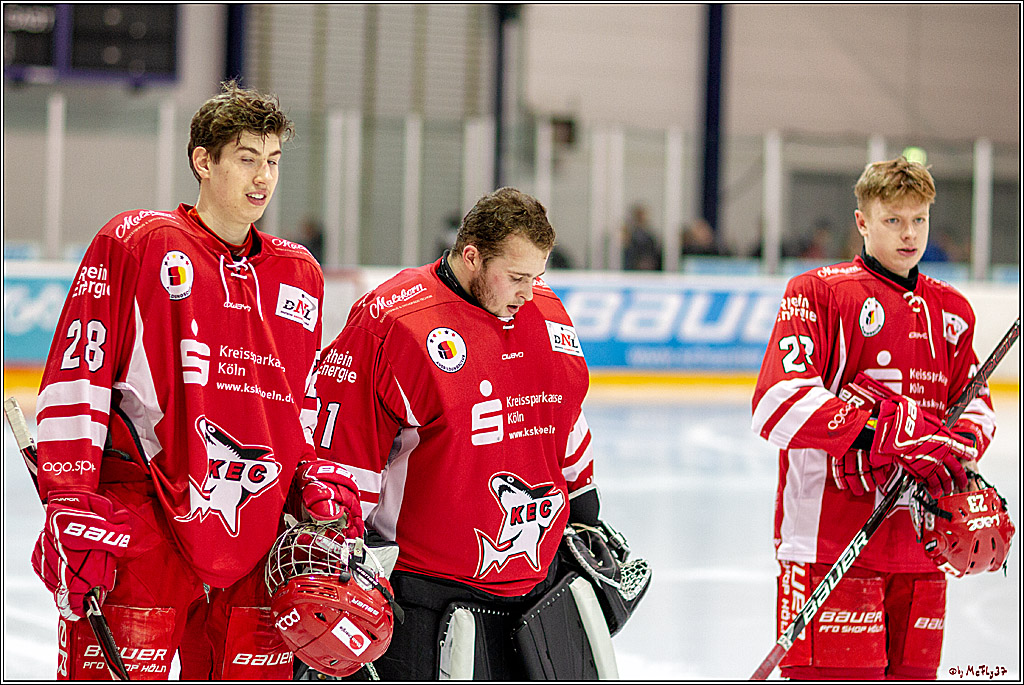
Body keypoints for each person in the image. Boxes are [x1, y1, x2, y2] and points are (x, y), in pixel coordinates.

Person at [30, 80, 362, 680]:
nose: (263, 178)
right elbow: (79, 374)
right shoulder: (137, 243)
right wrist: (71, 502)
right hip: (145, 522)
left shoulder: (299, 274)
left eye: (273, 161)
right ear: (202, 162)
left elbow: (298, 404)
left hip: (257, 540)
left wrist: (313, 478)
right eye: (246, 159)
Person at [311, 187, 621, 679]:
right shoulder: (395, 320)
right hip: (424, 599)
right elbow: (343, 448)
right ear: (471, 256)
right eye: (516, 276)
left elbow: (564, 415)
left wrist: (585, 502)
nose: (528, 291)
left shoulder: (547, 313)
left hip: (539, 592)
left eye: (537, 276)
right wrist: (337, 546)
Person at [751, 157, 998, 680]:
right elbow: (778, 403)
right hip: (832, 544)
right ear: (862, 222)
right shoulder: (818, 292)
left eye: (919, 220)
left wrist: (956, 446)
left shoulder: (953, 309)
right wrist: (891, 432)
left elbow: (978, 406)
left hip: (925, 549)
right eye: (893, 220)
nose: (909, 234)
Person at [622, 203, 662, 270]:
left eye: (643, 216)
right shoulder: (629, 235)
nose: (642, 218)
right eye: (639, 216)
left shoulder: (650, 236)